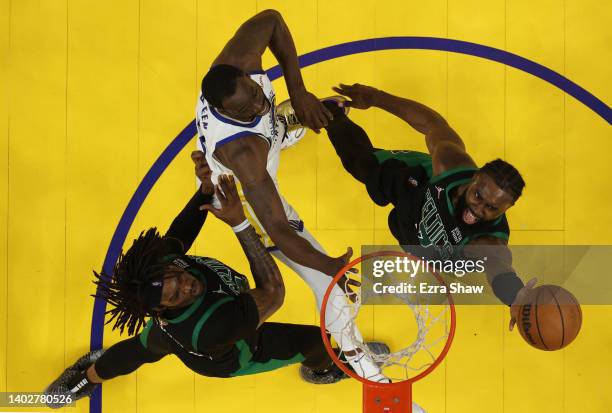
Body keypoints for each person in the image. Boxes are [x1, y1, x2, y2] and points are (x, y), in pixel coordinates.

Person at [44, 153, 349, 409]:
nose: (187, 284)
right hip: (235, 350)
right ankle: (323, 369)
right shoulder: (210, 327)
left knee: (140, 349)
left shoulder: (159, 268)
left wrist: (204, 190)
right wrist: (240, 223)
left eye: (177, 276)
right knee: (315, 340)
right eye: (176, 295)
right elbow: (273, 292)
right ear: (162, 310)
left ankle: (85, 378)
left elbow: (180, 233)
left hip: (175, 333)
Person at [196, 10, 385, 380]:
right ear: (222, 111)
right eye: (245, 108)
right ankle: (354, 359)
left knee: (283, 118)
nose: (256, 103)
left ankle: (283, 126)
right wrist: (329, 265)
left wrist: (298, 92)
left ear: (243, 74)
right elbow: (280, 230)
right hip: (248, 200)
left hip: (262, 148)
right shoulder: (243, 153)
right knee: (329, 284)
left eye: (253, 93)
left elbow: (272, 20)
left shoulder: (237, 61)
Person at [319, 83, 536, 329]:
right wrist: (376, 97)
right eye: (478, 196)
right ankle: (331, 112)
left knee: (435, 273)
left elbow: (499, 268)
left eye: (492, 208)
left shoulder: (487, 243)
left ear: (506, 209)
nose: (479, 210)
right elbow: (431, 123)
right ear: (474, 177)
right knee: (359, 163)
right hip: (415, 188)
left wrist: (516, 298)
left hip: (423, 241)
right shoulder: (450, 163)